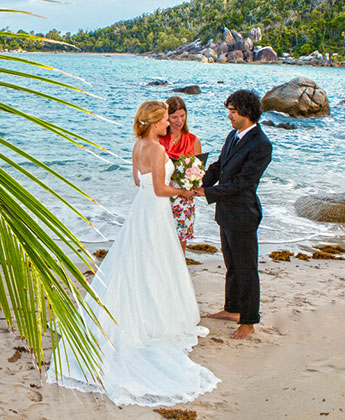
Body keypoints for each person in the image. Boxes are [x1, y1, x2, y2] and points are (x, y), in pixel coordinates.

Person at [47, 100, 219, 406]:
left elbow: (137, 181)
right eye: (165, 120)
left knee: (137, 260)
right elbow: (158, 188)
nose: (169, 124)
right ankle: (152, 320)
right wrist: (183, 190)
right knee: (156, 261)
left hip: (141, 209)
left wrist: (172, 185)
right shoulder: (156, 149)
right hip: (155, 211)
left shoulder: (138, 144)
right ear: (154, 123)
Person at [194, 90, 272, 340]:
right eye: (228, 110)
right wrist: (196, 180)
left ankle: (248, 321)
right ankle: (232, 309)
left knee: (246, 268)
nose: (229, 115)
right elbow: (219, 166)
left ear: (246, 113)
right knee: (232, 266)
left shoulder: (261, 144)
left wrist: (207, 192)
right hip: (226, 213)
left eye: (232, 111)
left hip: (243, 214)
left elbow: (243, 183)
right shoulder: (233, 135)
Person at [159, 96, 202, 254]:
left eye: (182, 116)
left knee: (180, 243)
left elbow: (198, 173)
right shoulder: (159, 140)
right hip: (162, 193)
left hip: (184, 198)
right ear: (166, 117)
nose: (179, 121)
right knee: (160, 239)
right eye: (175, 117)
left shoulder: (193, 140)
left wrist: (192, 186)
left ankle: (178, 276)